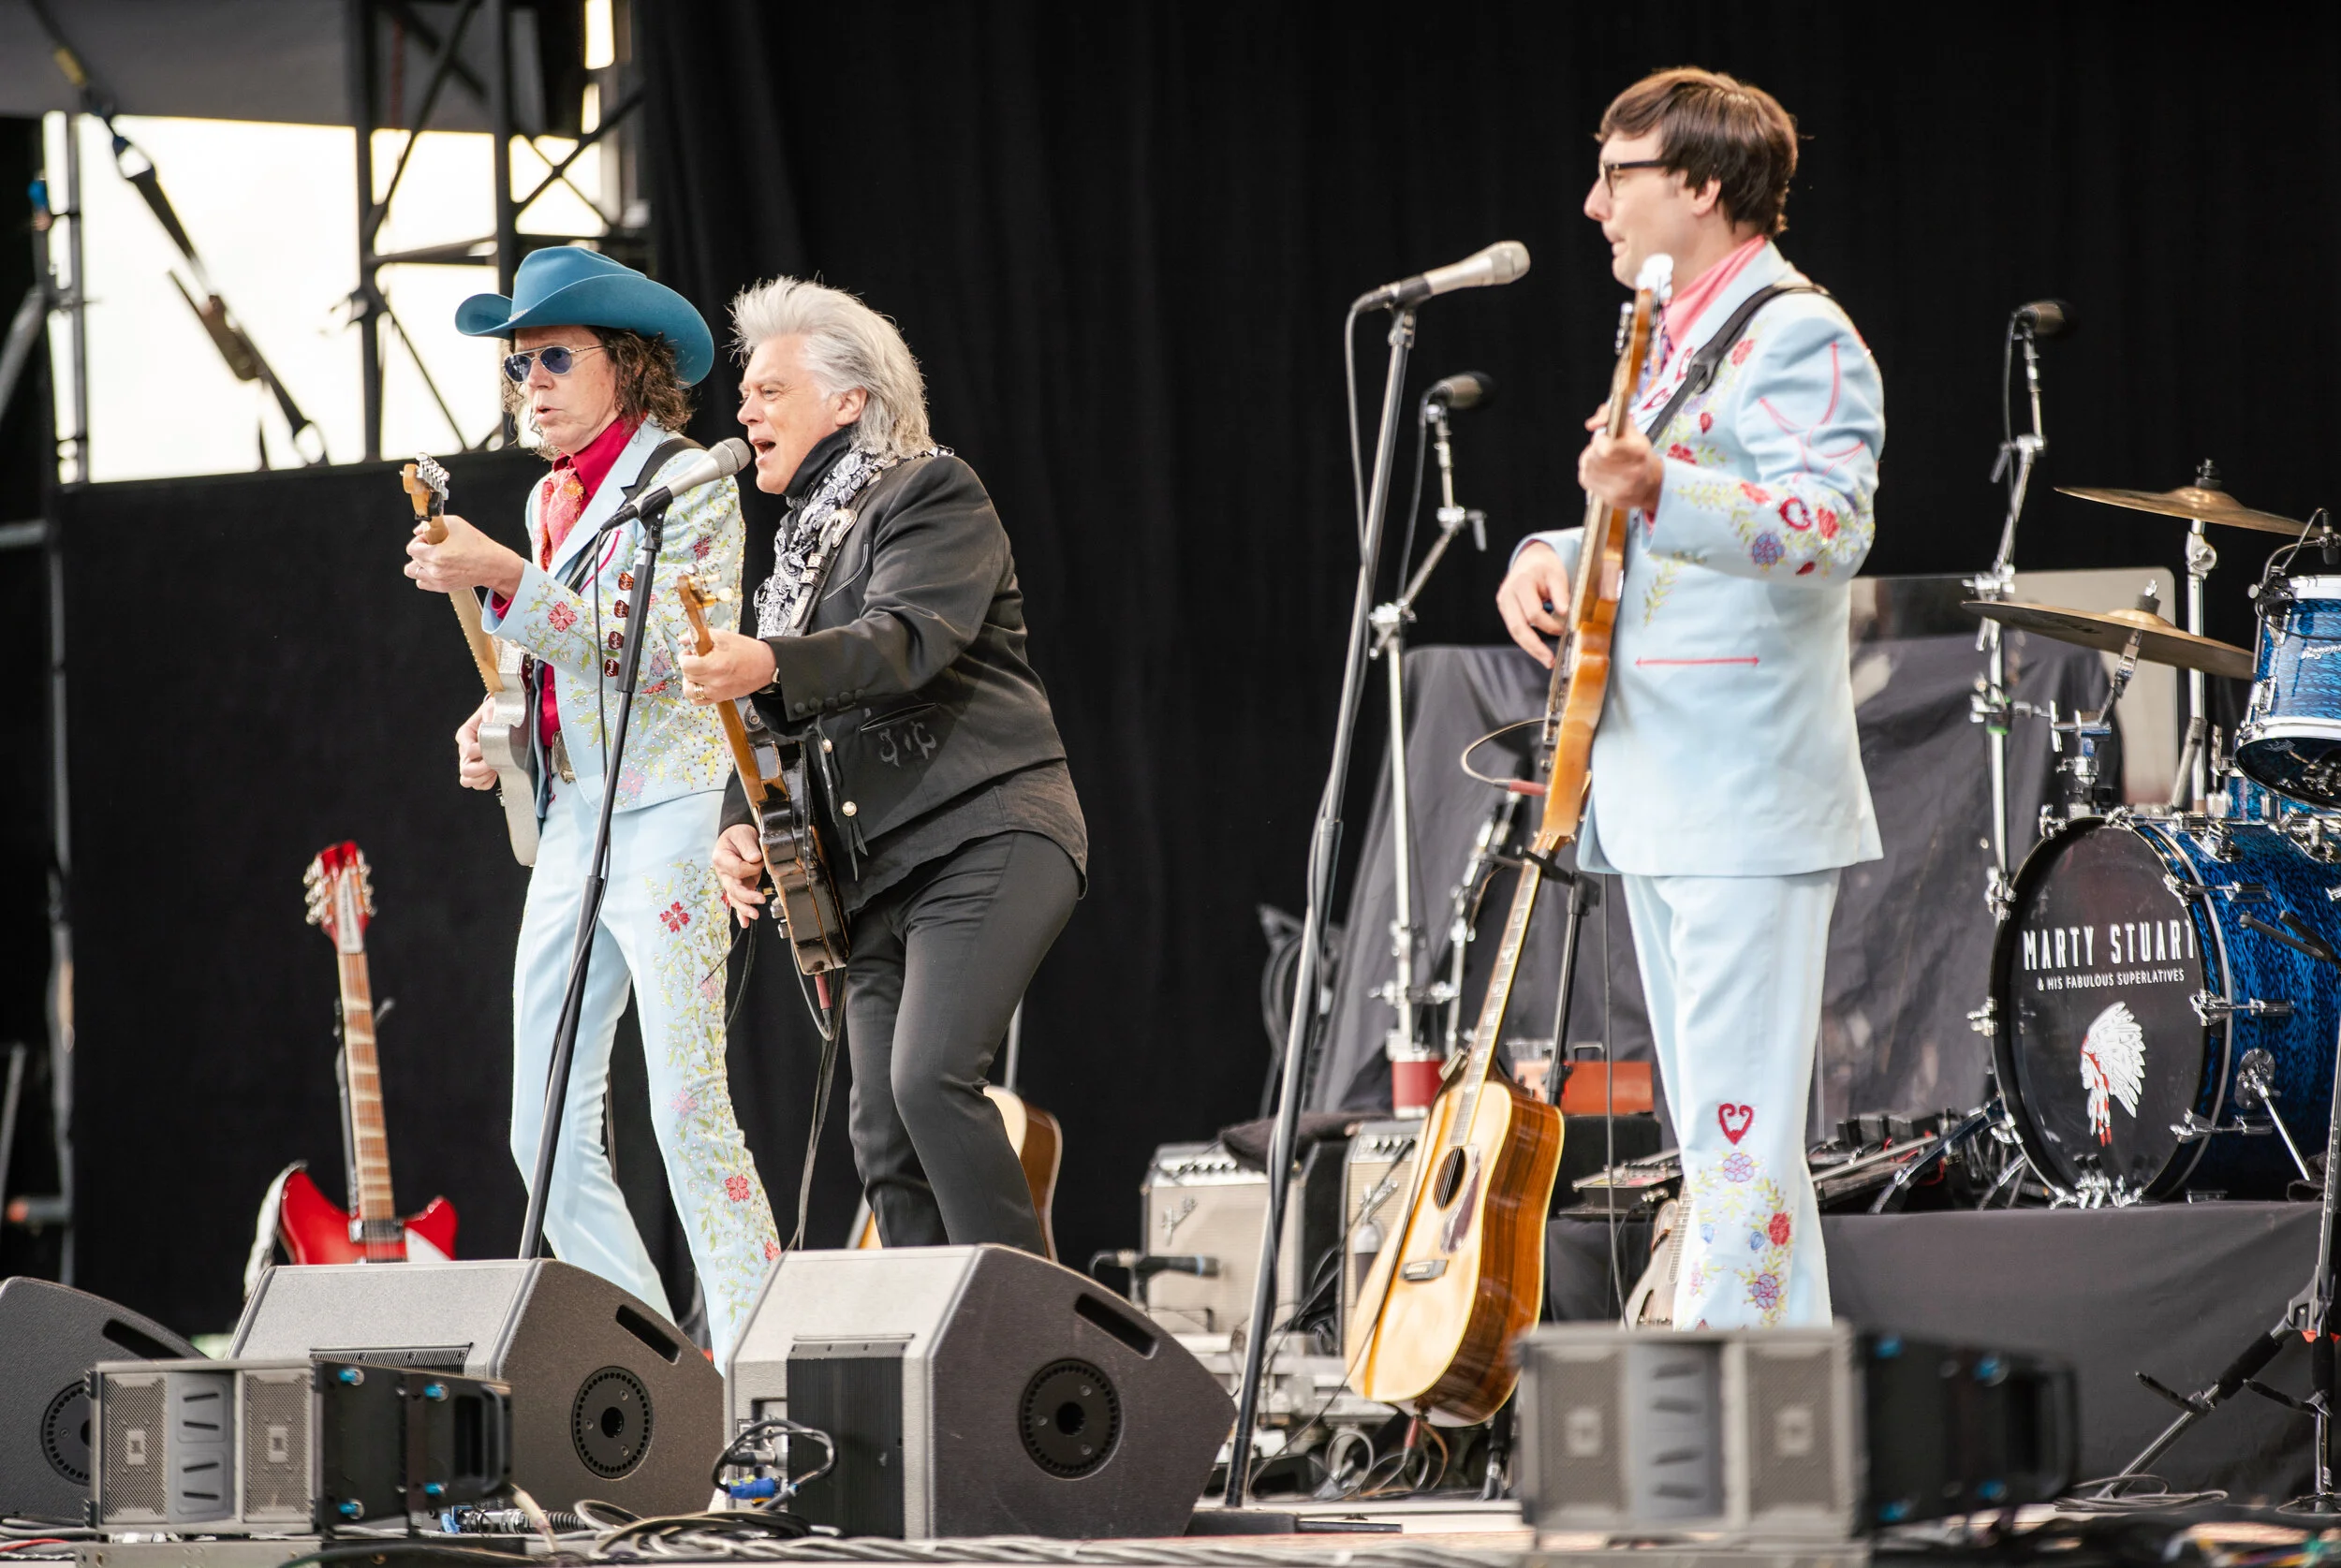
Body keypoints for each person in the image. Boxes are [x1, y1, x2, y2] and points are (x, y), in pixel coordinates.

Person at [1495, 68, 1885, 1329]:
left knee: (1736, 1132)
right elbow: (1643, 507)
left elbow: (1831, 527)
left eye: (1622, 174)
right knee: (1731, 1134)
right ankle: (1775, 1420)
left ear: (1704, 186)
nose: (1594, 202)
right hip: (1667, 779)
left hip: (1745, 782)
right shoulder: (1673, 331)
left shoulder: (1798, 330)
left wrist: (1660, 488)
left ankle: (1724, 1418)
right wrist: (1551, 548)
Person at [403, 244, 778, 1360]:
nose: (532, 384)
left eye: (553, 358)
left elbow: (663, 654)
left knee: (686, 1114)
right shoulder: (547, 493)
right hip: (575, 822)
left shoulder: (692, 483)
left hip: (669, 818)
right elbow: (563, 667)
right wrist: (506, 719)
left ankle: (767, 1379)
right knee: (541, 1136)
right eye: (519, 367)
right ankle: (669, 1369)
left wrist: (510, 580)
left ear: (625, 364)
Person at [677, 277, 1086, 1253]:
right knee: (883, 1131)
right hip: (873, 875)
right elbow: (777, 728)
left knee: (926, 1078)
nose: (743, 412)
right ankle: (936, 1363)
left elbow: (900, 640)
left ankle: (1029, 1344)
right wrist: (737, 821)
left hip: (986, 834)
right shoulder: (800, 552)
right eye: (747, 394)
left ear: (851, 398)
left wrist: (766, 661)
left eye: (769, 391)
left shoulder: (931, 491)